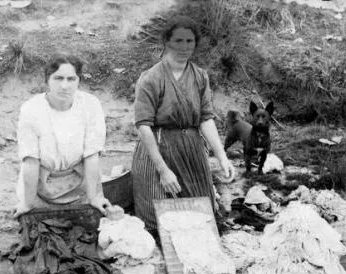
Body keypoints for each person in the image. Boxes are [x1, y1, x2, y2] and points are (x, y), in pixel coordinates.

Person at [132, 15, 236, 234]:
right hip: (158, 148)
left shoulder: (200, 77)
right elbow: (143, 126)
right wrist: (163, 170)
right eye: (178, 41)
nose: (184, 47)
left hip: (190, 148)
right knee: (159, 220)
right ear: (167, 42)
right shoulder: (151, 78)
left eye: (189, 41)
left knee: (201, 215)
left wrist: (222, 156)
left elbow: (205, 118)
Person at [13, 54, 112, 218]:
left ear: (78, 80)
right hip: (41, 184)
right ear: (47, 80)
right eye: (58, 78)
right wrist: (27, 204)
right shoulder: (31, 109)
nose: (65, 86)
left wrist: (95, 197)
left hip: (80, 182)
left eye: (71, 79)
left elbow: (92, 155)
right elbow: (30, 161)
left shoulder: (90, 105)